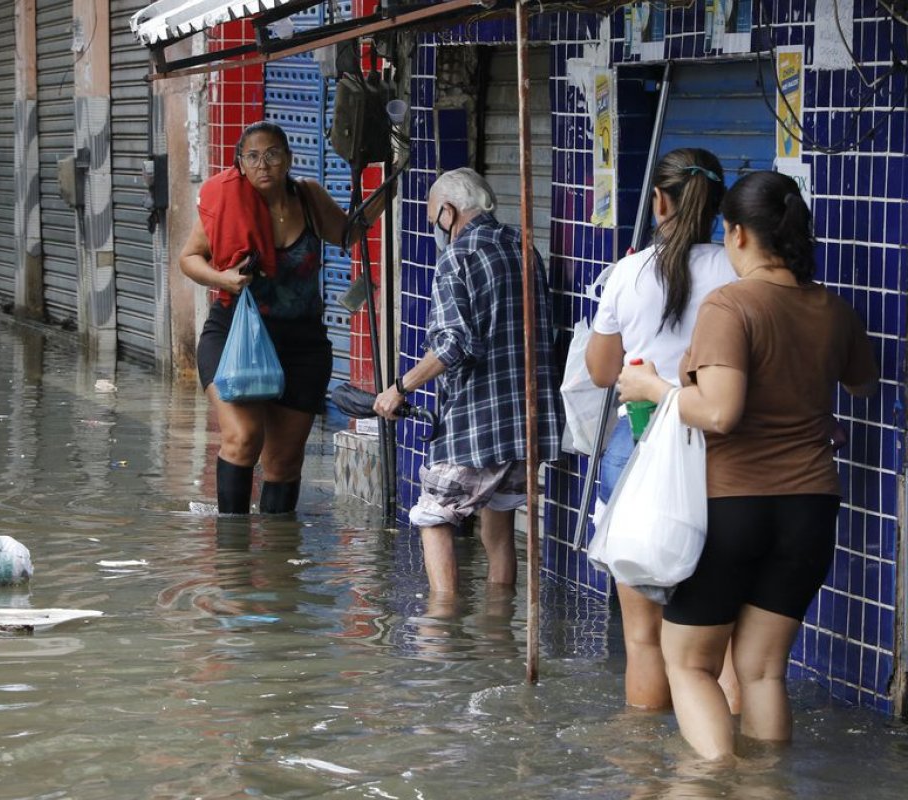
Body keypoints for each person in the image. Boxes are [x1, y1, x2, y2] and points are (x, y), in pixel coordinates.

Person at [617, 170, 878, 760]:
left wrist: (652, 386)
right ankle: (765, 788)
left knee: (690, 663)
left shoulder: (731, 304)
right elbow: (863, 383)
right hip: (811, 507)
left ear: (735, 234)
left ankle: (714, 783)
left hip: (735, 506)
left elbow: (719, 412)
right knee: (762, 672)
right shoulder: (832, 308)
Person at [585, 148, 735, 710]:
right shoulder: (736, 270)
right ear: (721, 209)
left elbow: (602, 372)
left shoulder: (628, 273)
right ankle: (731, 777)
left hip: (639, 455)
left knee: (643, 639)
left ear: (659, 201)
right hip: (720, 453)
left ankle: (645, 777)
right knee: (725, 640)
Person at [373, 168, 562, 597]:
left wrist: (398, 388)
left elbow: (454, 345)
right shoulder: (523, 247)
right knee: (498, 521)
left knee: (433, 516)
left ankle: (442, 629)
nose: (434, 229)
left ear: (448, 210)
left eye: (431, 219)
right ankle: (497, 631)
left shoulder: (457, 258)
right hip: (530, 419)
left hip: (477, 423)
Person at [179, 121, 385, 515]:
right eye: (252, 156)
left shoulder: (307, 197)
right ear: (239, 164)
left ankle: (277, 565)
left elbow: (348, 233)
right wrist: (222, 278)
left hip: (301, 343)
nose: (263, 164)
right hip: (234, 336)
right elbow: (189, 258)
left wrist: (387, 188)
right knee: (243, 437)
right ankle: (233, 558)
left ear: (289, 159)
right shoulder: (226, 204)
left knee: (284, 463)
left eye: (273, 154)